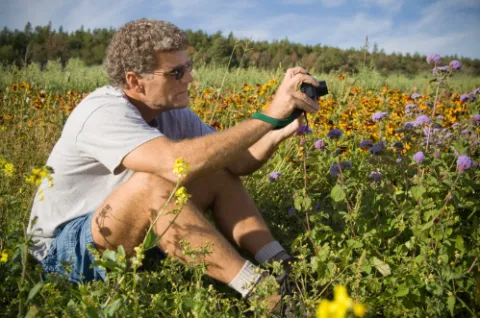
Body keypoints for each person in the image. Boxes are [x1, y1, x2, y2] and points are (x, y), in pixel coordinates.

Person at [27, 18, 319, 311]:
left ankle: (283, 268)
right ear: (134, 81)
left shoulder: (171, 112)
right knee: (153, 183)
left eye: (188, 67)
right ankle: (266, 297)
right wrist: (267, 114)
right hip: (65, 251)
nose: (189, 79)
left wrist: (279, 129)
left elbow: (238, 162)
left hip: (125, 235)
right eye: (176, 72)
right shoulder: (101, 111)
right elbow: (174, 163)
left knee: (215, 167)